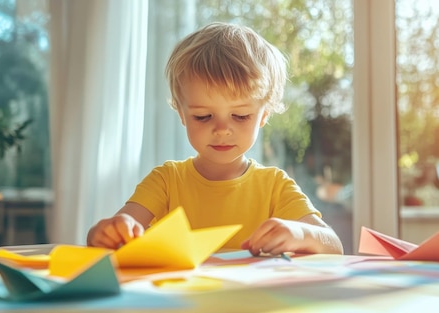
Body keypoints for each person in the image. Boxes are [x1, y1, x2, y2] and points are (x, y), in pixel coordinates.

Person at [87, 22, 343, 256]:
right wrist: (112, 231)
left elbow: (333, 244)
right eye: (203, 116)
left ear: (263, 116)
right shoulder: (166, 181)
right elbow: (103, 238)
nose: (222, 130)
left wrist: (300, 233)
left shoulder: (275, 186)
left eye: (240, 116)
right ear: (182, 114)